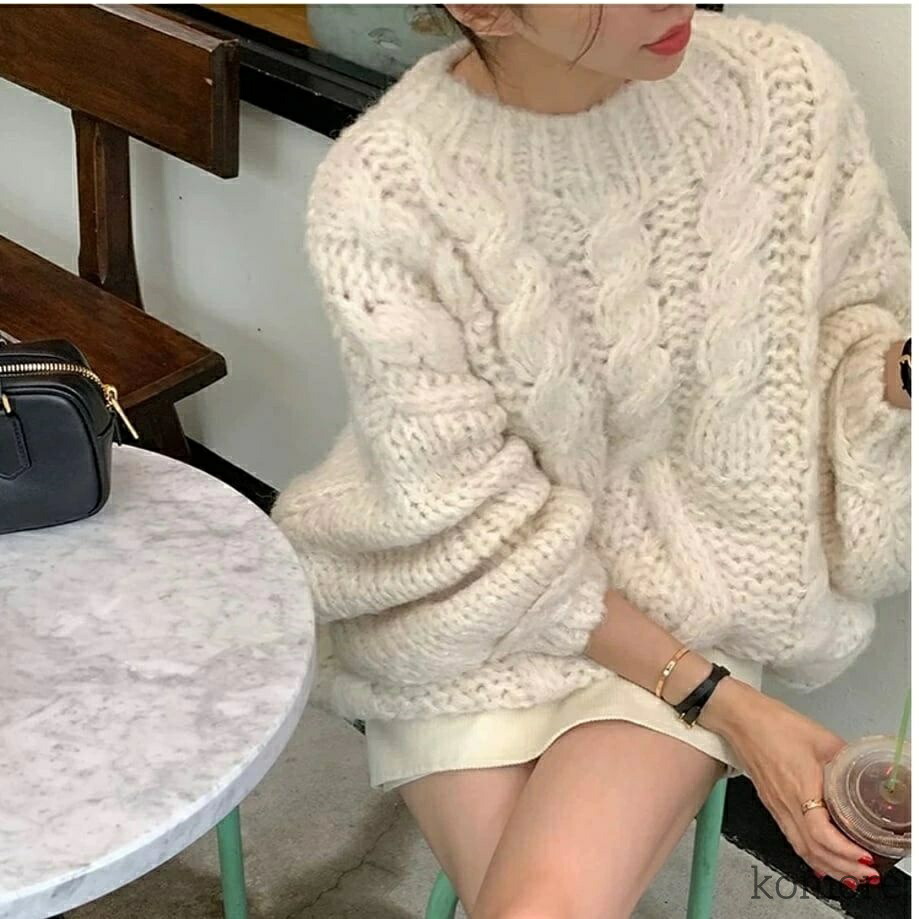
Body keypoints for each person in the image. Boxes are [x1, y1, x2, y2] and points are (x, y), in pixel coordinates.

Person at [272, 5, 911, 916]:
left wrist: (898, 373)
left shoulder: (782, 93)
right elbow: (473, 518)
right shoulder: (382, 191)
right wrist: (733, 709)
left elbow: (852, 330)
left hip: (697, 584)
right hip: (466, 595)